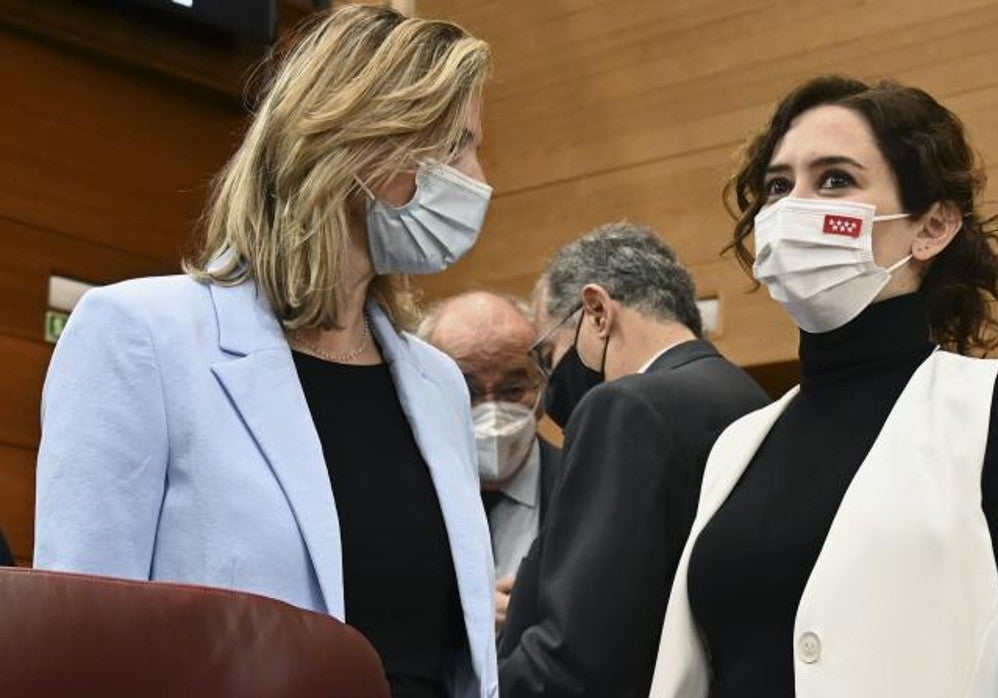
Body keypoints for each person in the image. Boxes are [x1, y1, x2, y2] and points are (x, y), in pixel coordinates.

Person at [34, 7, 497, 697]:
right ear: (358, 138)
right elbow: (76, 647)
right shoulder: (140, 336)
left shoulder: (438, 384)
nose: (480, 178)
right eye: (456, 146)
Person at [649, 75, 998, 697]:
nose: (791, 207)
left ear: (933, 226)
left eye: (835, 178)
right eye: (779, 186)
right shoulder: (737, 446)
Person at [496, 223, 770, 697]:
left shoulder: (625, 407)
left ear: (597, 312)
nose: (550, 378)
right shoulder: (751, 400)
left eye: (549, 353)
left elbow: (577, 655)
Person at [419, 291, 564, 633]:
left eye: (513, 389)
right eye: (466, 391)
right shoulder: (395, 489)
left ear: (542, 384)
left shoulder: (584, 489)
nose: (492, 410)